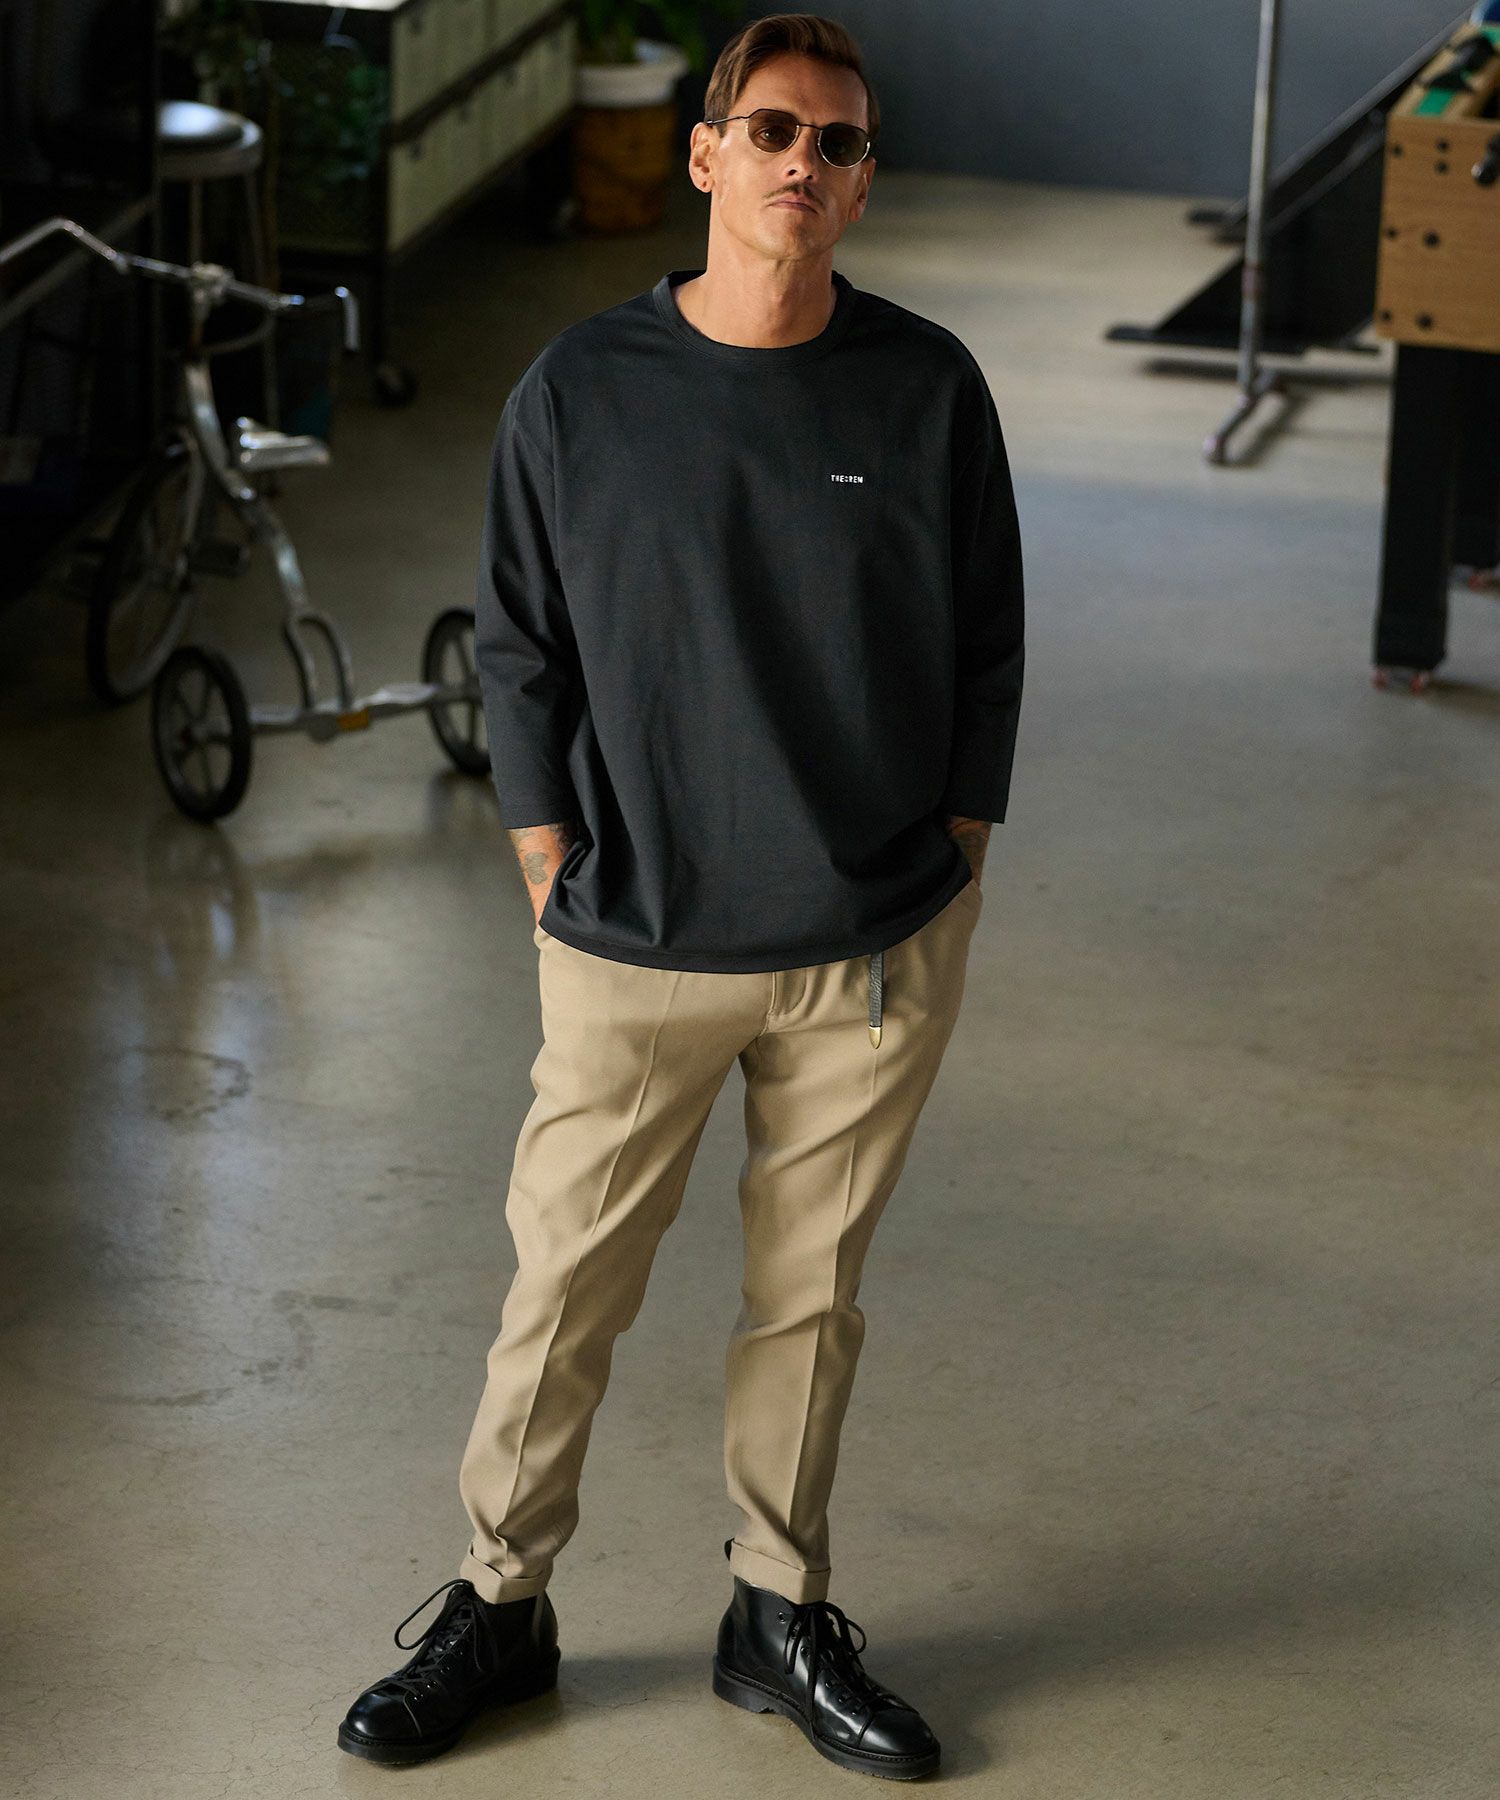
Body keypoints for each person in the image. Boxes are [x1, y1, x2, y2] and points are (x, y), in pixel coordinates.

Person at [339, 11, 1024, 1781]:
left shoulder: (928, 387)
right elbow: (519, 640)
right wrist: (545, 852)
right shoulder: (581, 389)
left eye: (840, 141)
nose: (806, 161)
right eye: (774, 128)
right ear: (706, 154)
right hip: (635, 934)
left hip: (870, 942)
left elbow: (988, 638)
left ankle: (776, 1612)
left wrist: (955, 854)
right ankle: (502, 1602)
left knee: (811, 1298)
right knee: (564, 1286)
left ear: (860, 185)